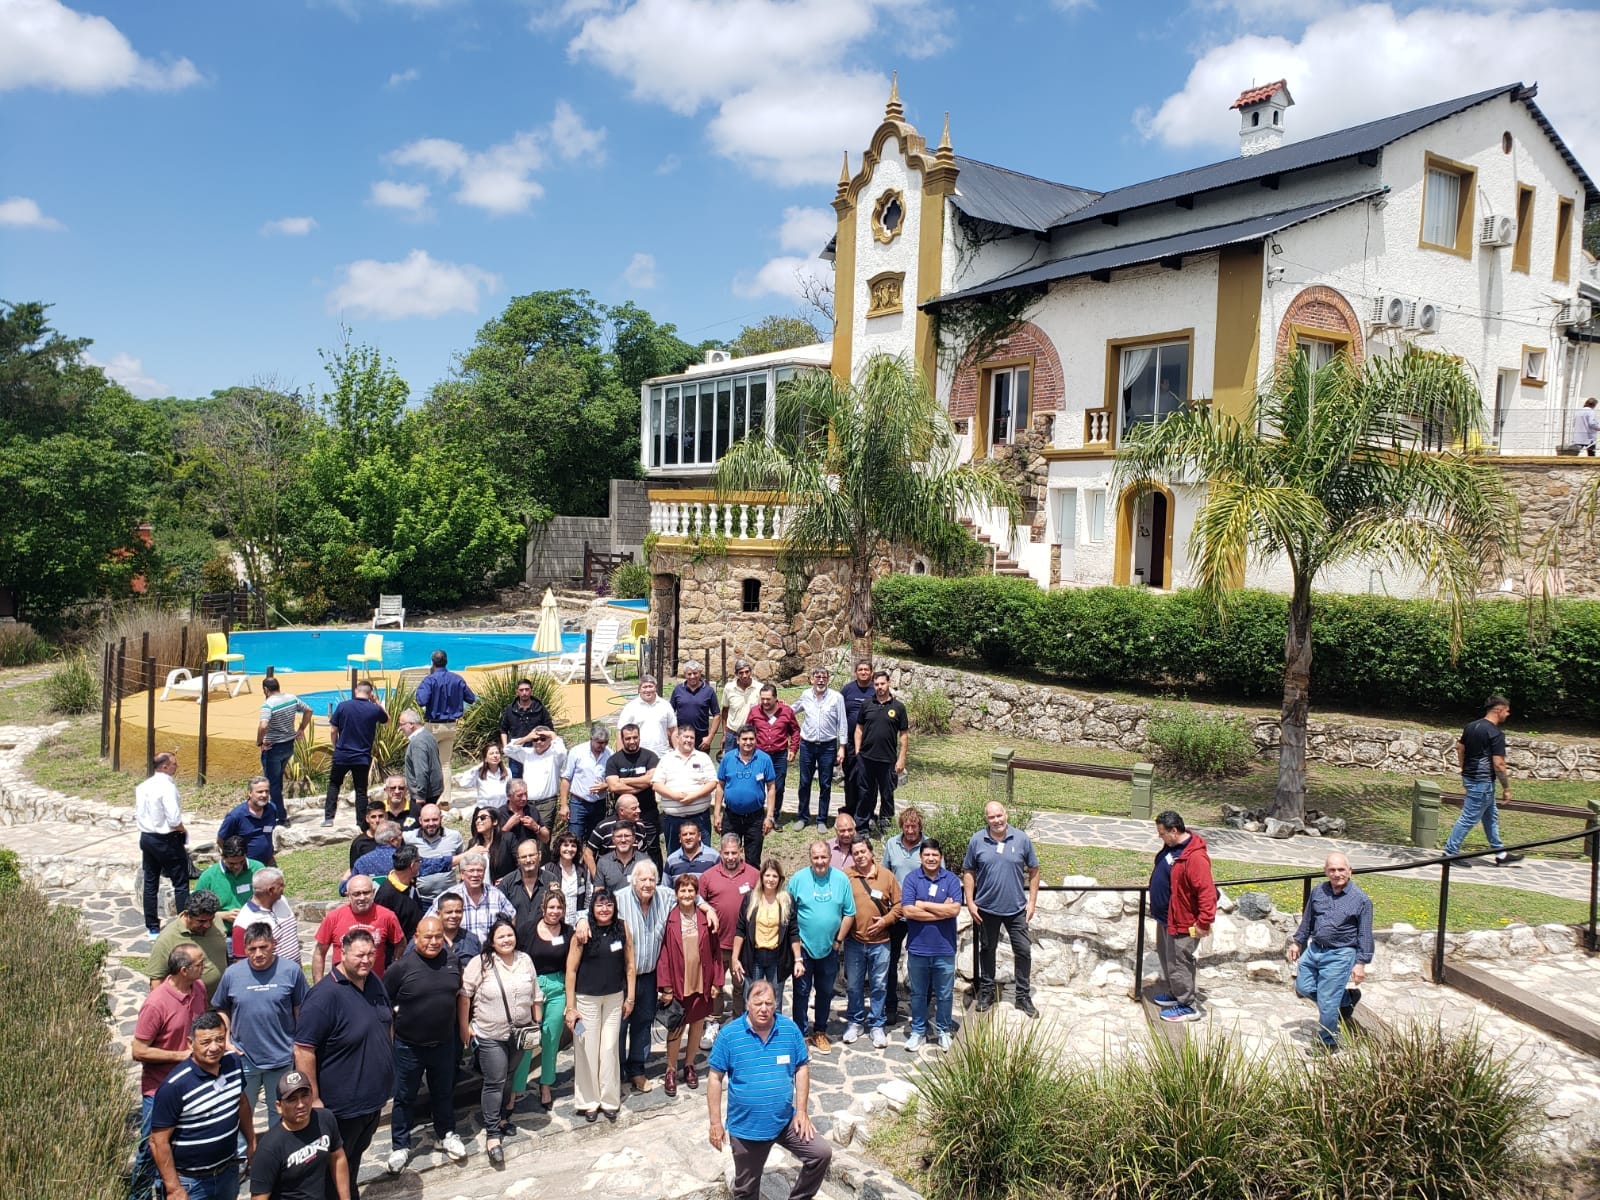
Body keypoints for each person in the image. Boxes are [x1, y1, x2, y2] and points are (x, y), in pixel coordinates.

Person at [706, 979, 832, 1200]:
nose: (764, 1009)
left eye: (769, 1003)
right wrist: (715, 1124)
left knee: (820, 1153)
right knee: (746, 1190)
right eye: (758, 1003)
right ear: (747, 1004)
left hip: (785, 1122)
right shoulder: (729, 1036)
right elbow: (715, 1078)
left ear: (775, 1005)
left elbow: (801, 1067)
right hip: (747, 1129)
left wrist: (801, 1111)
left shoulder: (789, 1030)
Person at [294, 929, 394, 1200]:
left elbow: (386, 1023)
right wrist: (313, 1099)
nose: (366, 960)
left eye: (371, 954)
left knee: (353, 1162)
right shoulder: (323, 996)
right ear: (342, 953)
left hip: (372, 1101)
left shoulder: (373, 981)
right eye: (359, 955)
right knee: (333, 1170)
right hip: (342, 1107)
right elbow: (304, 1049)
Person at [131, 943, 210, 1198]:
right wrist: (180, 1056)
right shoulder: (156, 1004)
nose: (205, 966)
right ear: (184, 970)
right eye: (200, 963)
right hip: (160, 1089)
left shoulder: (197, 988)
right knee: (150, 1149)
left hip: (191, 1084)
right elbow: (138, 1050)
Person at [458, 914, 539, 1165]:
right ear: (492, 941)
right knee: (495, 1080)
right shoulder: (481, 962)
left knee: (510, 1076)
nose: (506, 939)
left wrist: (537, 1023)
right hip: (490, 1032)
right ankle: (492, 1134)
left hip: (520, 1031)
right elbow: (464, 994)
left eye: (510, 935)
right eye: (501, 936)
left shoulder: (525, 960)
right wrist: (465, 1026)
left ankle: (503, 1117)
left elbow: (536, 993)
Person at [214, 921, 308, 1133]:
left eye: (263, 947)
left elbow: (300, 1009)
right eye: (252, 949)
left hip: (281, 1057)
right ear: (244, 949)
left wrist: (299, 1045)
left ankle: (276, 1157)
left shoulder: (291, 971)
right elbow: (221, 1008)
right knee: (240, 1111)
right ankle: (241, 1157)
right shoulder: (232, 974)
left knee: (281, 1112)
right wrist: (227, 1040)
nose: (258, 954)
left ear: (273, 944)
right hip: (244, 1057)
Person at [149, 1011, 253, 1200]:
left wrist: (252, 1142)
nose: (214, 1047)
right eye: (205, 1042)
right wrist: (174, 1188)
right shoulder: (175, 1086)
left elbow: (242, 1103)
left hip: (227, 1173)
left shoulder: (234, 1064)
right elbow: (158, 1141)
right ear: (190, 1044)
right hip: (190, 1183)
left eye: (220, 1039)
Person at [1289, 852, 1374, 1051]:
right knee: (1303, 987)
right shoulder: (1318, 891)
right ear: (1326, 871)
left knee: (1327, 1002)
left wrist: (1360, 963)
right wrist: (1298, 942)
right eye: (1332, 870)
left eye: (1341, 869)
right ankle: (1346, 1000)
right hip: (1315, 950)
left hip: (1340, 954)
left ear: (1350, 871)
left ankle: (1329, 1042)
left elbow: (1365, 935)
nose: (1337, 874)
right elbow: (1308, 920)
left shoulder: (1361, 901)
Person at [962, 801, 1040, 1019]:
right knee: (987, 950)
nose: (996, 820)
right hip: (986, 908)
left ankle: (1022, 995)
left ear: (1006, 814)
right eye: (991, 817)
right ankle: (986, 992)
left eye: (999, 815)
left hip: (1016, 909)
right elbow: (968, 870)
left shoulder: (1021, 839)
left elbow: (1034, 870)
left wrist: (1032, 902)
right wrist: (970, 901)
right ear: (985, 819)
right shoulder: (977, 840)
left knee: (1023, 951)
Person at [565, 887, 635, 1122]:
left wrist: (630, 997)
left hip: (614, 1000)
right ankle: (588, 1101)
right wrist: (570, 1006)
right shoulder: (582, 932)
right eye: (599, 905)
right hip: (586, 1001)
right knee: (586, 1049)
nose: (604, 909)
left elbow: (630, 966)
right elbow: (571, 971)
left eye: (608, 905)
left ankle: (609, 1099)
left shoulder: (622, 928)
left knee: (609, 1048)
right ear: (592, 909)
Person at [787, 840, 855, 1052]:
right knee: (801, 992)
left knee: (825, 992)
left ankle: (820, 1031)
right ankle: (801, 1034)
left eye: (823, 857)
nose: (820, 862)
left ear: (829, 857)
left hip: (829, 948)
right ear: (810, 858)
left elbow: (849, 913)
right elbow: (789, 916)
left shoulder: (841, 879)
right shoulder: (798, 879)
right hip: (804, 948)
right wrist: (795, 949)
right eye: (815, 857)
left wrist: (838, 941)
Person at [1148, 809, 1215, 1023]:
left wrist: (1204, 921)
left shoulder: (1195, 857)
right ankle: (1176, 993)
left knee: (1180, 961)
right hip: (1166, 918)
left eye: (1162, 833)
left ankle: (1187, 1005)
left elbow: (1206, 892)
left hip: (1182, 921)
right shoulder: (1173, 847)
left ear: (1174, 831)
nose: (1160, 837)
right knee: (1168, 957)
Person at [658, 873, 722, 1096]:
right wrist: (665, 986)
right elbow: (663, 953)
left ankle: (690, 1065)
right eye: (683, 890)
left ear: (696, 894)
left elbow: (715, 952)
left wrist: (717, 981)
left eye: (690, 891)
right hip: (678, 981)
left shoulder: (706, 919)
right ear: (676, 893)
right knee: (676, 1026)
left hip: (701, 979)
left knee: (696, 1025)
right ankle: (671, 1069)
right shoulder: (669, 918)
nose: (687, 894)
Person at [1443, 694, 1524, 868]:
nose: (1508, 715)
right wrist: (1507, 788)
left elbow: (1460, 748)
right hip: (1483, 782)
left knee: (1490, 816)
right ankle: (1449, 853)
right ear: (1499, 710)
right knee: (1468, 818)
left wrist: (1464, 769)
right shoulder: (1495, 733)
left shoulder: (1471, 726)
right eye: (1507, 711)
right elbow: (1499, 764)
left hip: (1472, 778)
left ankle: (1500, 854)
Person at [249, 1071, 350, 1200]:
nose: (301, 1104)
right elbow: (259, 1197)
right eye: (292, 1100)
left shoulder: (325, 1118)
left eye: (304, 1096)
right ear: (279, 1106)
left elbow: (337, 1157)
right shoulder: (269, 1149)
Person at [900, 838, 961, 1052]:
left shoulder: (951, 879)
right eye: (927, 855)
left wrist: (923, 905)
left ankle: (943, 1031)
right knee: (918, 993)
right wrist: (940, 911)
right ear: (921, 857)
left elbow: (954, 911)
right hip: (918, 948)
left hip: (944, 948)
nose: (931, 858)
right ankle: (918, 1031)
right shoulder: (911, 879)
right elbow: (907, 911)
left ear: (940, 857)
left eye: (935, 855)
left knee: (944, 994)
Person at [517, 887, 574, 1111]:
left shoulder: (567, 933)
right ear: (543, 908)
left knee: (551, 1038)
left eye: (559, 907)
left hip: (558, 987)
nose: (555, 911)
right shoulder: (528, 929)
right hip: (532, 988)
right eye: (551, 907)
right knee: (529, 1039)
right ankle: (517, 1086)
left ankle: (546, 1083)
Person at [842, 836, 901, 1049]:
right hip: (855, 942)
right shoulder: (846, 876)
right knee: (854, 986)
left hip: (881, 942)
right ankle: (855, 1021)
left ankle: (877, 1024)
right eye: (855, 853)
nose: (859, 856)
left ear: (871, 852)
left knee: (879, 986)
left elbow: (899, 905)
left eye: (862, 852)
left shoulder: (887, 876)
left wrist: (886, 920)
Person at [699, 833, 761, 1026]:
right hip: (717, 943)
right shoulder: (708, 876)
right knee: (714, 985)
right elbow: (699, 904)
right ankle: (714, 1021)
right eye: (726, 853)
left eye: (734, 852)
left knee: (740, 985)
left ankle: (739, 1021)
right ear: (721, 852)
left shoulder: (754, 874)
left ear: (741, 851)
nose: (731, 857)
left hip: (743, 944)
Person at [732, 860, 801, 1012]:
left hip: (777, 958)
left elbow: (793, 932)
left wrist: (798, 959)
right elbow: (740, 929)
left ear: (780, 878)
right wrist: (735, 958)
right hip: (754, 956)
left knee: (774, 1002)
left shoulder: (786, 900)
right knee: (752, 999)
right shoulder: (751, 899)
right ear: (762, 877)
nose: (771, 879)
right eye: (767, 875)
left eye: (774, 876)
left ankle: (774, 1033)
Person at [311, 876, 405, 983]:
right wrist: (318, 985)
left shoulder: (387, 916)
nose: (362, 898)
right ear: (348, 895)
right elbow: (319, 952)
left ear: (373, 892)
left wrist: (393, 968)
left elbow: (400, 943)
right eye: (356, 894)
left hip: (373, 983)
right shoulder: (334, 917)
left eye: (366, 893)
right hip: (342, 984)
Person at [414, 650, 477, 809]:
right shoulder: (457, 679)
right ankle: (446, 799)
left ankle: (428, 797)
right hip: (451, 725)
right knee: (445, 764)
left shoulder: (430, 680)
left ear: (432, 662)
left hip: (433, 725)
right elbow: (471, 698)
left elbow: (421, 701)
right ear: (446, 661)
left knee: (427, 762)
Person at [136, 750, 189, 938]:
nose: (177, 767)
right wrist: (183, 830)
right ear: (165, 766)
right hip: (166, 839)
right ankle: (185, 923)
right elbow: (174, 819)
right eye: (174, 764)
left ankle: (152, 926)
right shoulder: (167, 787)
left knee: (151, 882)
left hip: (147, 837)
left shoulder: (143, 786)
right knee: (181, 882)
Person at [880, 807, 926, 1023]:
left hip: (919, 912)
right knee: (890, 961)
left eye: (913, 826)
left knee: (921, 962)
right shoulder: (892, 844)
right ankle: (891, 1005)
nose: (910, 830)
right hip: (896, 911)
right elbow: (884, 873)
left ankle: (922, 1006)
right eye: (906, 826)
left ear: (919, 826)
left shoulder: (927, 846)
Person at [325, 679, 387, 829]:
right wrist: (378, 702)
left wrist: (336, 746)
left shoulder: (343, 706)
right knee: (361, 790)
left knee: (334, 784)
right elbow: (387, 720)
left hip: (342, 754)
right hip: (361, 757)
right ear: (370, 694)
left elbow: (333, 730)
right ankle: (361, 821)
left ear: (355, 691)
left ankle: (328, 818)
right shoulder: (373, 709)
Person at [792, 668, 847, 833]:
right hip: (807, 745)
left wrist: (842, 747)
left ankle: (822, 819)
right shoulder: (805, 695)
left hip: (827, 746)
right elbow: (790, 710)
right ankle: (802, 817)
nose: (821, 680)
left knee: (825, 783)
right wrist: (771, 709)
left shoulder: (837, 697)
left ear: (828, 679)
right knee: (804, 783)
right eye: (817, 677)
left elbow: (842, 724)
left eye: (824, 677)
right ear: (811, 679)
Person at [852, 670, 907, 833]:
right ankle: (862, 826)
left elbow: (904, 735)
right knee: (865, 793)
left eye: (882, 684)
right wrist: (857, 752)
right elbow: (859, 729)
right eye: (876, 684)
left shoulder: (898, 707)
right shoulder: (866, 704)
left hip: (888, 760)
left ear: (888, 683)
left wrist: (901, 758)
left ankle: (885, 826)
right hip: (866, 758)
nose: (879, 687)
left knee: (887, 794)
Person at [714, 725, 776, 867]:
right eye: (744, 739)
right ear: (737, 740)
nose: (748, 742)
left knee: (753, 859)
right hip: (731, 816)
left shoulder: (764, 759)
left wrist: (770, 816)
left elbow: (771, 788)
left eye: (751, 739)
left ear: (756, 740)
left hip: (755, 818)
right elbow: (720, 786)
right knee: (729, 856)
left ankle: (752, 888)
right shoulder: (728, 758)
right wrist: (717, 814)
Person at [257, 676, 313, 826]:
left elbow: (263, 726)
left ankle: (280, 817)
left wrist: (259, 742)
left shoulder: (268, 705)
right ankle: (276, 808)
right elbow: (308, 710)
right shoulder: (291, 698)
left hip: (273, 747)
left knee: (271, 783)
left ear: (265, 690)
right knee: (278, 780)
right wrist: (301, 729)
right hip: (288, 745)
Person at [430, 851, 515, 946]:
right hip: (460, 954)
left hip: (491, 953)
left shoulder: (496, 895)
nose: (475, 875)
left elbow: (512, 918)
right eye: (471, 871)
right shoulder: (449, 897)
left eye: (479, 870)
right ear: (462, 874)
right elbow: (428, 923)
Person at [148, 891, 228, 992]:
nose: (207, 925)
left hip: (222, 1000)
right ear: (187, 914)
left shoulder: (215, 920)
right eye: (201, 921)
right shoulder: (166, 939)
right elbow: (156, 980)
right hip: (190, 1005)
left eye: (211, 919)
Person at [656, 723, 718, 850]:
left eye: (692, 738)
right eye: (686, 737)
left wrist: (694, 796)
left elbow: (712, 782)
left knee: (704, 857)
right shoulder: (667, 759)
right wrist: (675, 796)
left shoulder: (703, 758)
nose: (689, 740)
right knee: (674, 858)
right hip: (674, 820)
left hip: (699, 818)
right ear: (678, 738)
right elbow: (656, 784)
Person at [606, 726, 663, 863]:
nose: (632, 741)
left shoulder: (650, 756)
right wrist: (641, 784)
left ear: (639, 737)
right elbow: (614, 786)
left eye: (635, 737)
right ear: (622, 739)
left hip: (648, 812)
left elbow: (651, 779)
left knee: (652, 848)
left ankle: (657, 880)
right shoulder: (614, 760)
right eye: (628, 738)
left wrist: (624, 780)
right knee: (625, 847)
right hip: (623, 814)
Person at [193, 834, 262, 939]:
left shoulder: (258, 869)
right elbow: (195, 911)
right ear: (222, 856)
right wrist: (223, 915)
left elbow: (270, 898)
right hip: (222, 935)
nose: (237, 866)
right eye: (232, 863)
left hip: (255, 932)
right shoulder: (208, 877)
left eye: (241, 862)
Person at [229, 866, 301, 965]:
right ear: (271, 890)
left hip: (295, 973)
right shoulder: (243, 922)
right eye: (281, 885)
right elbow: (241, 962)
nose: (284, 888)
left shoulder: (282, 901)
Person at [750, 685, 799, 823]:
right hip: (760, 755)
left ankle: (775, 816)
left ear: (776, 698)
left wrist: (793, 749)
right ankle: (758, 814)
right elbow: (747, 730)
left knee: (778, 787)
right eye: (762, 699)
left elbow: (795, 731)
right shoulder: (754, 712)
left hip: (779, 756)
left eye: (768, 699)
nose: (765, 702)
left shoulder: (787, 712)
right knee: (757, 784)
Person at [560, 723, 613, 849]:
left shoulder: (610, 753)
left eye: (605, 742)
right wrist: (563, 805)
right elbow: (566, 778)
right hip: (579, 803)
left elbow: (613, 779)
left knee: (594, 841)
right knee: (574, 839)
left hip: (599, 803)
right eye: (599, 742)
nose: (602, 746)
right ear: (591, 739)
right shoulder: (577, 752)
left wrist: (605, 786)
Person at [503, 726, 566, 827]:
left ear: (550, 739)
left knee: (542, 835)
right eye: (535, 739)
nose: (539, 742)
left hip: (547, 804)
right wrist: (526, 738)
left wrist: (552, 734)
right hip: (527, 803)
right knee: (527, 837)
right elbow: (507, 750)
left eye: (543, 738)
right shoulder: (527, 753)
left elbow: (562, 752)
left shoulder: (554, 755)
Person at [838, 660, 876, 826]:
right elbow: (838, 714)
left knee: (869, 781)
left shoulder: (877, 690)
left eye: (866, 670)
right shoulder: (847, 690)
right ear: (855, 672)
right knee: (851, 779)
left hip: (871, 745)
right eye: (860, 669)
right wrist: (842, 746)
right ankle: (850, 810)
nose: (863, 672)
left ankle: (867, 812)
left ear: (871, 672)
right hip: (850, 744)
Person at [405, 802, 465, 902]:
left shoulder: (454, 836)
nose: (431, 824)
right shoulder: (409, 838)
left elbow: (463, 863)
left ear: (441, 818)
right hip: (421, 900)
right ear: (420, 820)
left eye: (435, 819)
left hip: (449, 899)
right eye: (427, 820)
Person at [216, 776, 280, 868]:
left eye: (267, 791)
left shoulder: (271, 809)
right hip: (246, 866)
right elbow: (220, 840)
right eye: (260, 792)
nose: (264, 795)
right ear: (250, 793)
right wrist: (235, 859)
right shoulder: (235, 816)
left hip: (268, 862)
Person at [497, 677, 553, 777]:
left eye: (527, 689)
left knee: (534, 777)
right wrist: (506, 747)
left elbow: (550, 730)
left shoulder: (540, 709)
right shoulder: (510, 709)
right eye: (521, 690)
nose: (524, 692)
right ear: (517, 692)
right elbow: (503, 729)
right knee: (516, 779)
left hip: (535, 749)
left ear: (531, 691)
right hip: (516, 749)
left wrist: (545, 746)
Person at [495, 779, 550, 874]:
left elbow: (546, 838)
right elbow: (493, 842)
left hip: (529, 860)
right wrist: (507, 826)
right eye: (519, 795)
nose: (524, 798)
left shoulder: (532, 810)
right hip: (508, 863)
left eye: (526, 794)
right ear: (509, 796)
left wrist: (536, 827)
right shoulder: (500, 813)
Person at [539, 831, 594, 921]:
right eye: (565, 845)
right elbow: (541, 899)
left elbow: (588, 898)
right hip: (554, 922)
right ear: (559, 848)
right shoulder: (546, 869)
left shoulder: (583, 870)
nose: (570, 849)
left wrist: (583, 919)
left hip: (577, 922)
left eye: (573, 846)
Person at [374, 844, 426, 938]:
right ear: (412, 865)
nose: (420, 864)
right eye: (419, 861)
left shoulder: (410, 882)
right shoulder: (386, 895)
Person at [616, 674, 675, 755]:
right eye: (645, 687)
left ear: (655, 688)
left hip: (662, 754)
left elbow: (674, 730)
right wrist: (620, 757)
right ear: (639, 689)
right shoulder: (630, 707)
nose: (648, 690)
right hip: (638, 755)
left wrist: (678, 752)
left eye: (651, 686)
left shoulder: (665, 705)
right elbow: (620, 732)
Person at [712, 660, 761, 755]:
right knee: (731, 764)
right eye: (741, 673)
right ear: (736, 674)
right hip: (732, 734)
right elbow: (725, 711)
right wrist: (724, 734)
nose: (745, 675)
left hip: (750, 735)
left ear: (751, 672)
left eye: (747, 672)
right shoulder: (729, 688)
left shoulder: (759, 688)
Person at [399, 710, 443, 814]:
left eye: (402, 724)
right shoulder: (428, 735)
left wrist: (420, 795)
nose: (400, 728)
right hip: (432, 790)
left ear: (411, 725)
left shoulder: (418, 742)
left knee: (415, 825)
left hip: (424, 794)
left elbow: (421, 770)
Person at [670, 661, 720, 753]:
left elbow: (717, 715)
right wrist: (673, 736)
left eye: (695, 673)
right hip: (682, 737)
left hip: (701, 739)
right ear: (685, 674)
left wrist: (710, 737)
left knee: (699, 766)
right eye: (689, 674)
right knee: (682, 764)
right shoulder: (678, 690)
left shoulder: (709, 691)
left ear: (700, 673)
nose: (692, 676)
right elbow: (669, 713)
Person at [590, 816, 648, 894]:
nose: (623, 840)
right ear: (613, 840)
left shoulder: (644, 862)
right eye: (619, 836)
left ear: (634, 839)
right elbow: (599, 894)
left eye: (627, 836)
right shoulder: (603, 863)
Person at [499, 838, 548, 926]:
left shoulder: (550, 879)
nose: (528, 860)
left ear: (539, 855)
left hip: (544, 937)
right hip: (517, 938)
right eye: (523, 857)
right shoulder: (507, 883)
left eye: (532, 855)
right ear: (518, 860)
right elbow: (500, 916)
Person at [465, 803, 515, 881]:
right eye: (476, 818)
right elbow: (465, 867)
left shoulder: (508, 839)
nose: (478, 821)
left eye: (483, 818)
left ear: (495, 821)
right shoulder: (473, 843)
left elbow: (520, 864)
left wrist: (507, 880)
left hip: (502, 889)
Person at [456, 742, 513, 809]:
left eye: (497, 753)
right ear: (485, 758)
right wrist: (477, 767)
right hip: (485, 810)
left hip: (503, 809)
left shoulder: (507, 771)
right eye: (491, 754)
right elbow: (463, 784)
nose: (495, 756)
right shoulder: (479, 772)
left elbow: (509, 791)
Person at [435, 893, 483, 968]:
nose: (454, 916)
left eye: (458, 912)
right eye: (449, 912)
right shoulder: (428, 939)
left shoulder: (472, 940)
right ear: (438, 914)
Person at [347, 800, 389, 869]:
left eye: (381, 816)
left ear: (386, 816)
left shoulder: (395, 838)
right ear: (367, 819)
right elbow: (354, 869)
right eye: (373, 817)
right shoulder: (359, 843)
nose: (377, 820)